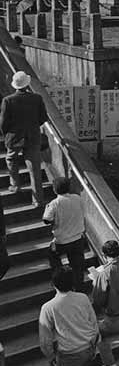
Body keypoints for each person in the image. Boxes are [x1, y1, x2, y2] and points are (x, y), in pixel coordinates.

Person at [39, 266, 100, 366]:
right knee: (64, 365)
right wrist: (94, 343)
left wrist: (50, 356)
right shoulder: (83, 298)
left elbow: (45, 340)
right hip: (88, 347)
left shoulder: (48, 307)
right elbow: (93, 322)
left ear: (53, 284)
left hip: (70, 354)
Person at [1, 69, 47, 206]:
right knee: (35, 169)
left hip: (14, 137)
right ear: (27, 85)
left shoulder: (7, 100)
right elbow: (43, 118)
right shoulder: (37, 98)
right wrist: (33, 127)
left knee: (11, 159)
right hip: (33, 137)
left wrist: (7, 134)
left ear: (15, 86)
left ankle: (15, 185)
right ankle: (38, 200)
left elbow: (3, 123)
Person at [44, 175, 86, 281]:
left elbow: (46, 219)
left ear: (54, 190)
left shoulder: (54, 203)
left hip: (62, 241)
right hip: (78, 239)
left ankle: (61, 278)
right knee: (78, 267)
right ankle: (79, 287)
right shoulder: (78, 198)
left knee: (52, 255)